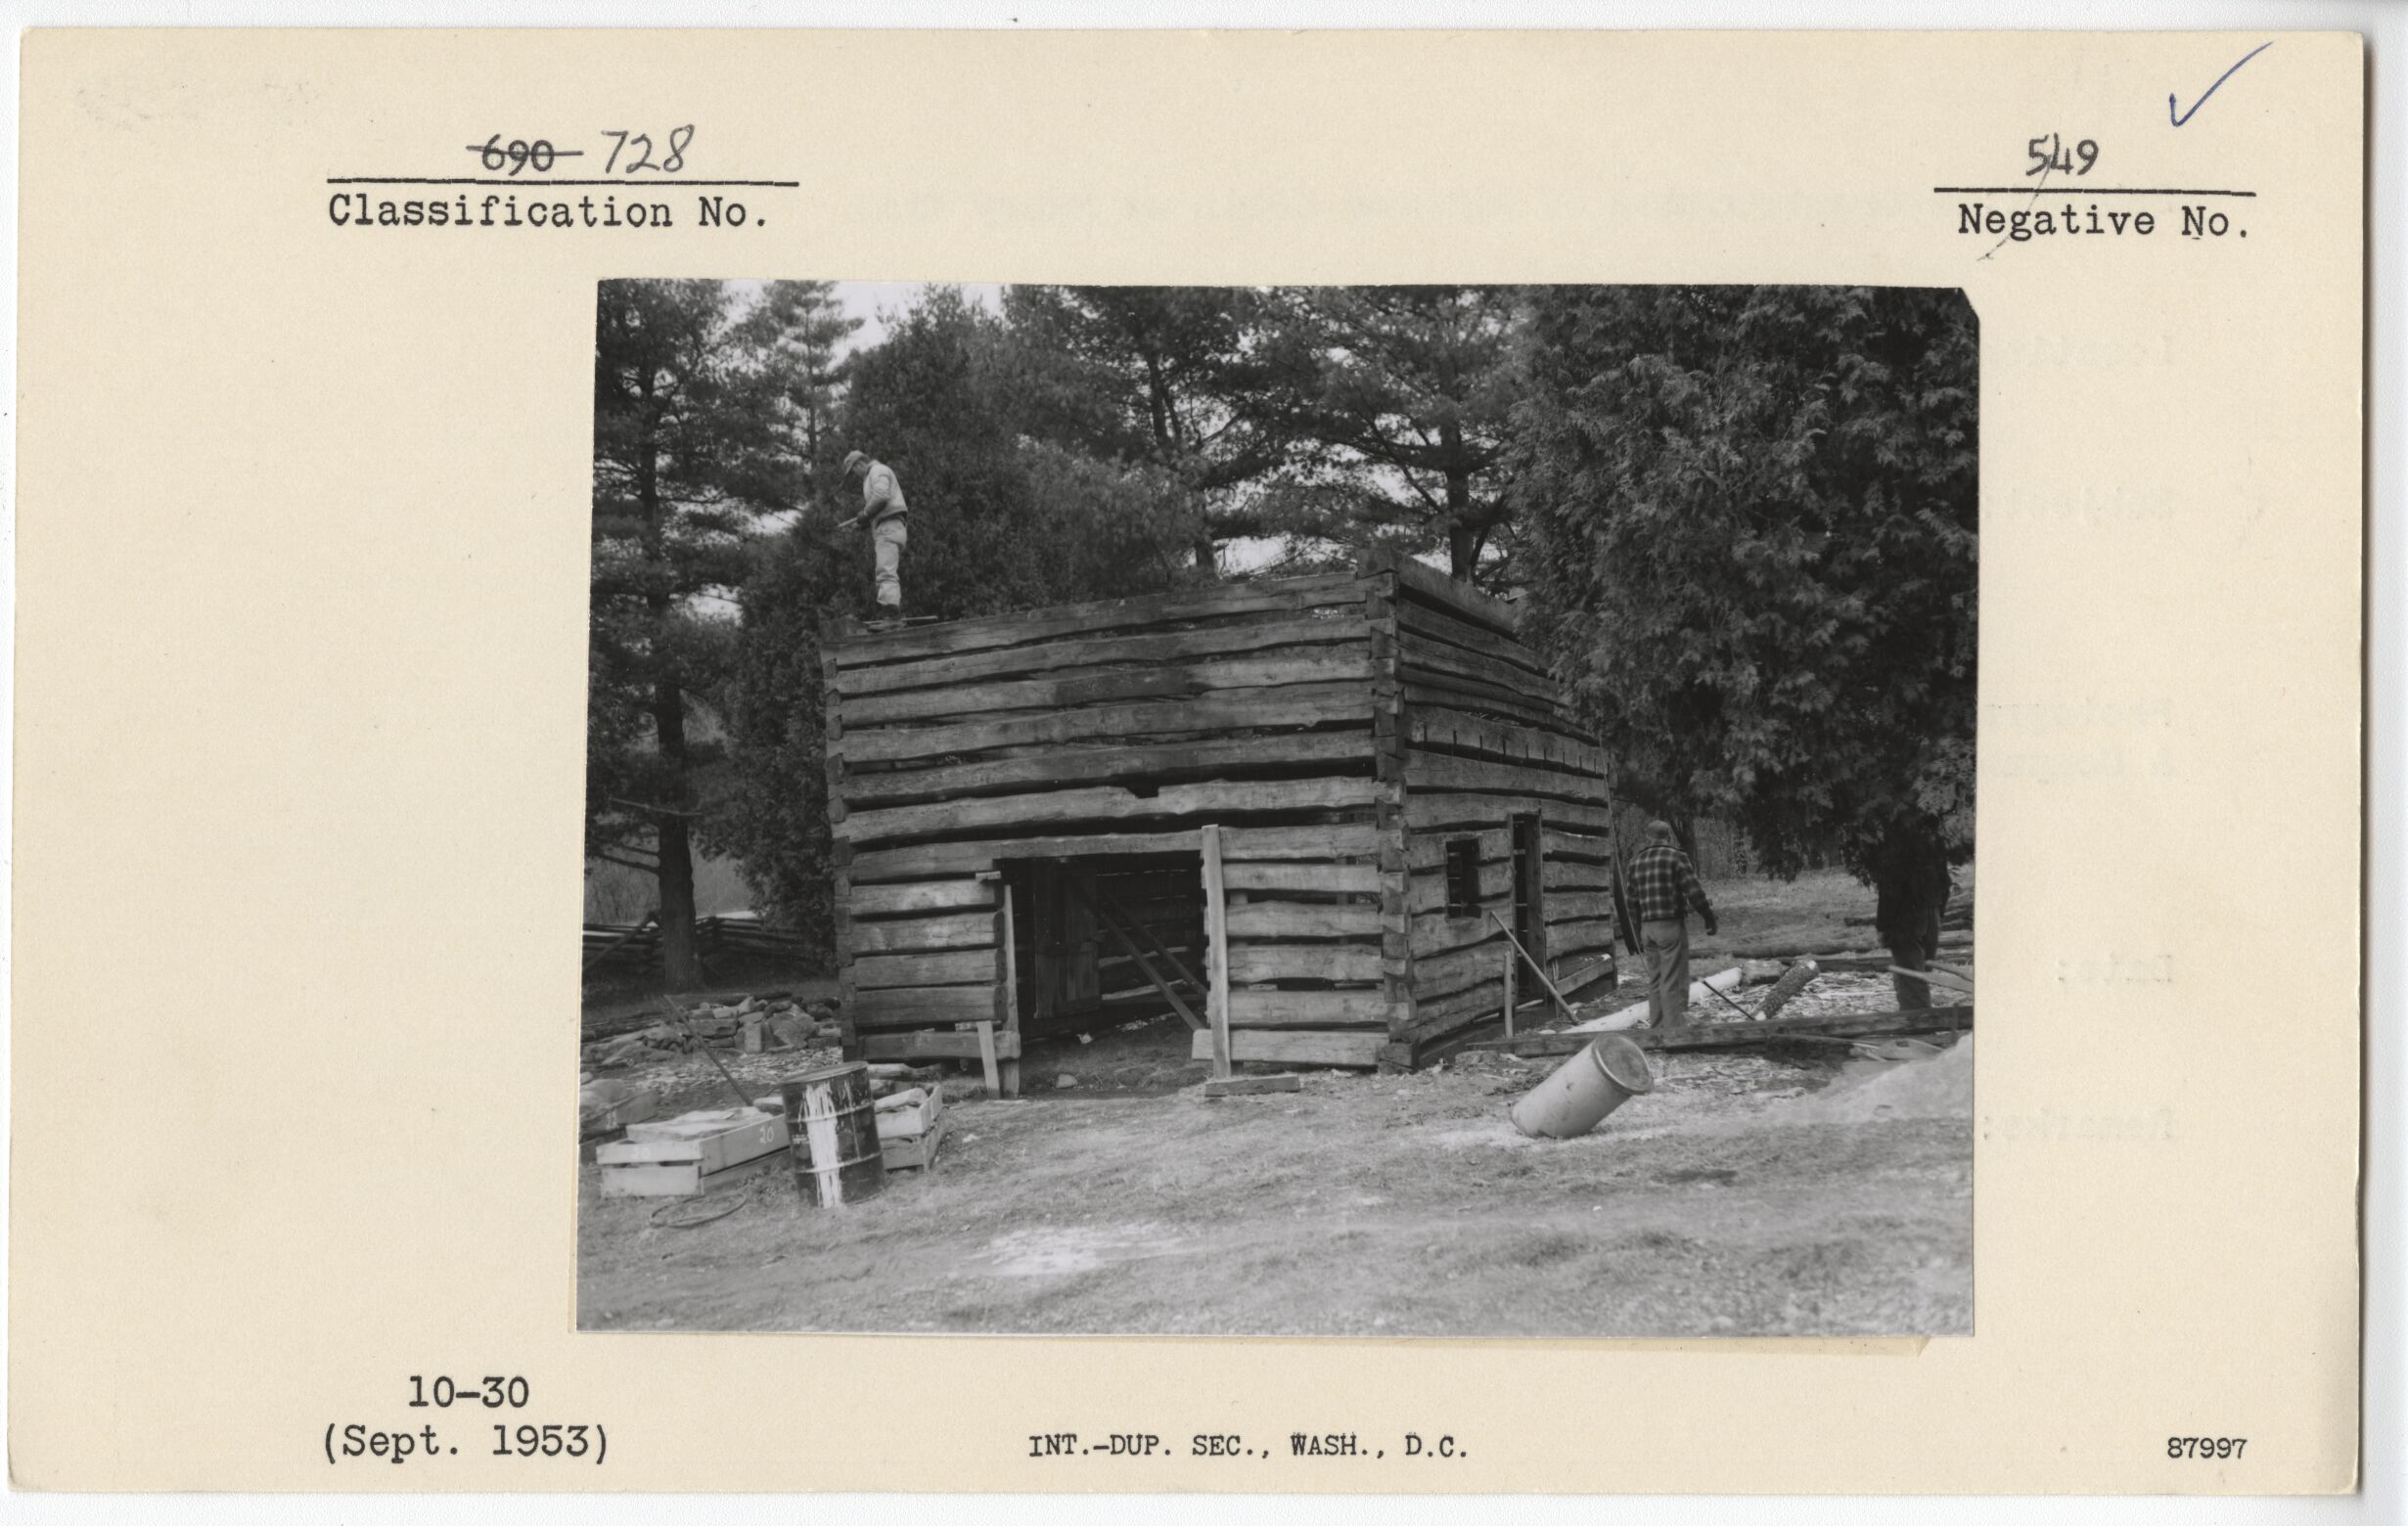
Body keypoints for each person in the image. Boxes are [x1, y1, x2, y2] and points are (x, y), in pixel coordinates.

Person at [1624, 820, 1717, 1027]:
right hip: (1669, 925)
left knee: (1655, 980)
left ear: (1648, 837)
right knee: (1673, 981)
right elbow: (1694, 892)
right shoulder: (1677, 857)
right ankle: (1674, 1034)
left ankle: (1657, 1031)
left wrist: (1637, 932)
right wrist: (1709, 918)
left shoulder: (1635, 862)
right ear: (1669, 837)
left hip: (1647, 929)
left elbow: (1631, 903)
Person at [834, 449, 908, 621]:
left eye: (853, 471)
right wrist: (859, 524)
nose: (855, 475)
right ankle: (892, 615)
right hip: (890, 526)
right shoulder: (874, 474)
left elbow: (881, 496)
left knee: (886, 573)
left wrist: (865, 513)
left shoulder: (877, 470)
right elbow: (878, 509)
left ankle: (892, 619)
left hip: (889, 527)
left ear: (859, 464)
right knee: (886, 572)